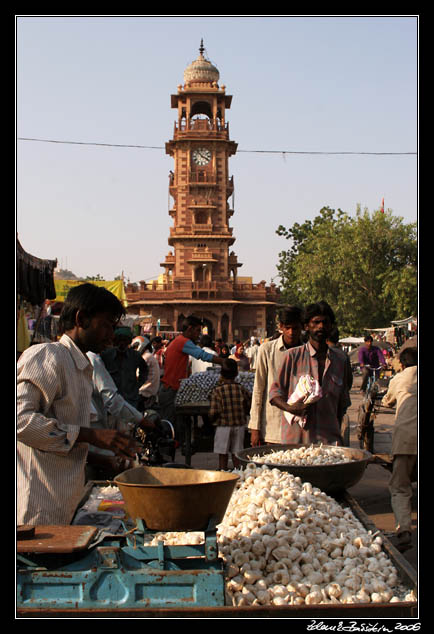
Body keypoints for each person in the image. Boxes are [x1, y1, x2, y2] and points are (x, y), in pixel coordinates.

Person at [17, 283, 146, 525]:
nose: (111, 334)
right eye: (107, 325)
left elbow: (61, 440)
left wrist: (101, 459)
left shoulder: (82, 367)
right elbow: (20, 422)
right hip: (37, 508)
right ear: (82, 319)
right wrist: (93, 436)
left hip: (64, 503)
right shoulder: (48, 356)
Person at [269, 301, 351, 446]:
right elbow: (274, 394)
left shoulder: (341, 360)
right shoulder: (292, 357)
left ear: (331, 326)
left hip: (329, 441)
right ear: (306, 326)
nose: (321, 326)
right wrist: (290, 408)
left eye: (325, 322)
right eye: (316, 322)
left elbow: (342, 403)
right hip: (296, 441)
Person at [157, 315, 225, 439]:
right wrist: (223, 362)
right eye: (198, 330)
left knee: (174, 424)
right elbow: (201, 355)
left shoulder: (177, 341)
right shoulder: (183, 341)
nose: (199, 334)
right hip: (171, 389)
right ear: (189, 329)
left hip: (171, 388)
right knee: (170, 427)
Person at [86, 349, 147, 480]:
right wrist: (142, 421)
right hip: (94, 433)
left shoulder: (132, 356)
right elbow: (112, 400)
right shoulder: (93, 359)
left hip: (124, 408)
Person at [248, 306, 304, 447]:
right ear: (281, 327)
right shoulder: (266, 350)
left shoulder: (307, 352)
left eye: (295, 328)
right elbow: (258, 389)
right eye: (288, 328)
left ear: (302, 328)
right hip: (273, 427)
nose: (291, 333)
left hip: (301, 428)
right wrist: (255, 426)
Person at [381, 347, 417, 552]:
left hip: (406, 441)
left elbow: (387, 400)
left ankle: (404, 529)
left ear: (402, 364)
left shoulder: (399, 378)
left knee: (400, 488)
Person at [208, 358, 252, 470]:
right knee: (237, 453)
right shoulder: (241, 388)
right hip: (239, 425)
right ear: (236, 373)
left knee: (223, 454)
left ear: (221, 373)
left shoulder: (217, 390)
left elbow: (214, 411)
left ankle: (223, 473)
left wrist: (211, 421)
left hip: (223, 426)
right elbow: (248, 405)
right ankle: (239, 474)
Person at [100, 327, 148, 411]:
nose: (122, 344)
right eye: (119, 340)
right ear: (115, 342)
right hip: (111, 399)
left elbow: (144, 369)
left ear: (128, 342)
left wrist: (138, 384)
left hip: (130, 399)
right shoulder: (107, 355)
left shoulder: (135, 356)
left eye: (125, 341)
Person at [132, 336, 161, 409]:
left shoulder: (146, 357)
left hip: (145, 391)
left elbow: (137, 375)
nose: (135, 349)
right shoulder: (148, 355)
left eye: (136, 347)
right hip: (149, 390)